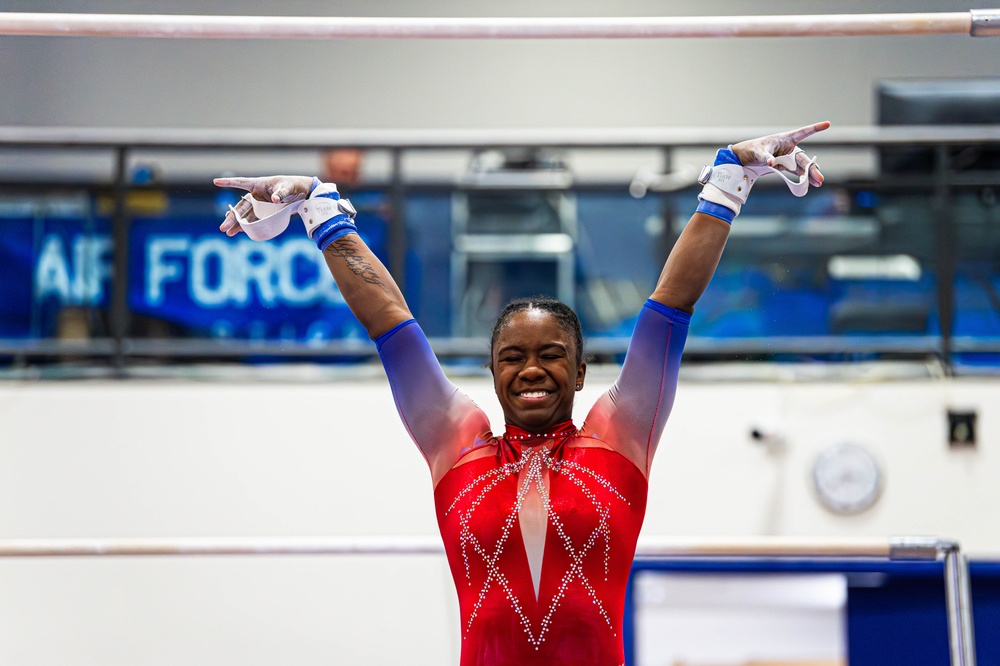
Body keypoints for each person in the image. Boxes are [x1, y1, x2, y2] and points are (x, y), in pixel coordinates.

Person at [214, 121, 829, 666]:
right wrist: (321, 214)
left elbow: (672, 305)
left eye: (550, 356)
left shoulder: (619, 437)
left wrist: (727, 183)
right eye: (512, 358)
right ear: (492, 370)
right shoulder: (456, 444)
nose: (530, 370)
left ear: (581, 372)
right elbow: (389, 323)